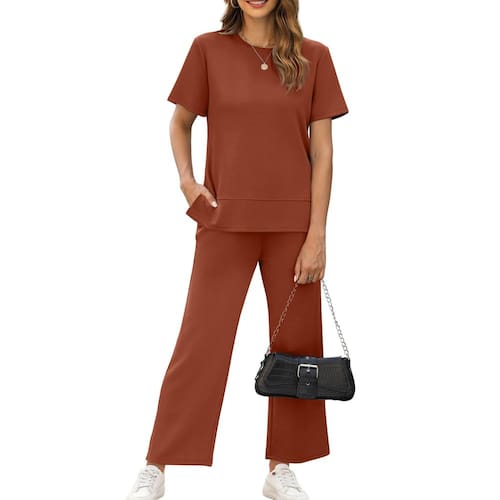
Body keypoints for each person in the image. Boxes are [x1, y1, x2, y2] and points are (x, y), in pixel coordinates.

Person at [125, 0, 349, 498]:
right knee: (200, 341)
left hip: (293, 228)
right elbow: (180, 122)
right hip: (224, 222)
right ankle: (157, 464)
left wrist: (317, 235)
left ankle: (280, 468)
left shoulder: (315, 56)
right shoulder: (207, 50)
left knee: (296, 348)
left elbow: (323, 151)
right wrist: (187, 182)